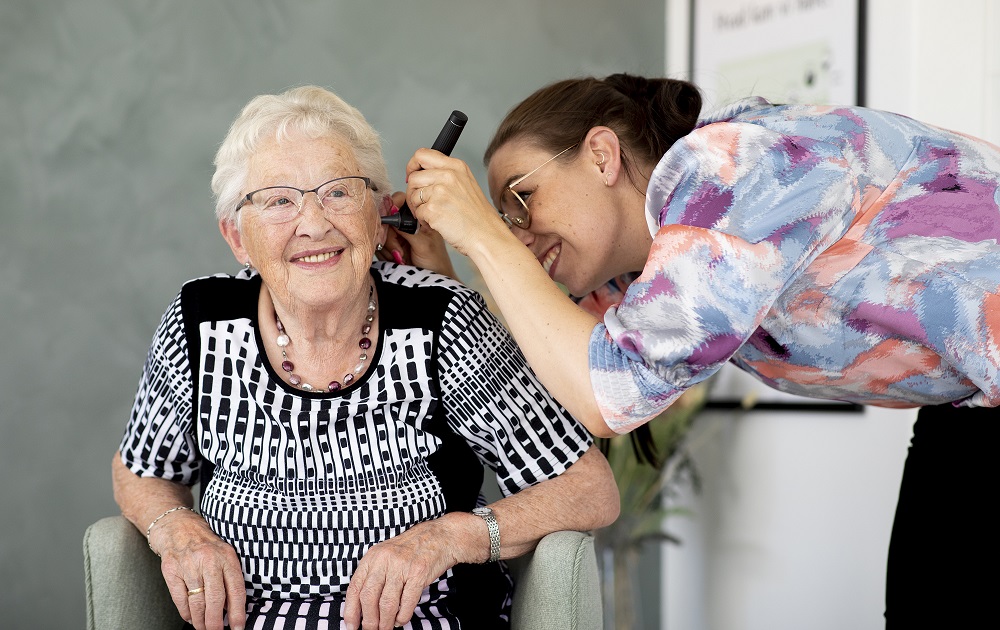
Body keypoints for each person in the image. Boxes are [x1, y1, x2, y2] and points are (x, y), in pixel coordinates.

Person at [394, 73, 1000, 627]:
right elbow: (549, 384)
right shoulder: (639, 275)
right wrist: (440, 265)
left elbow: (611, 394)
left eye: (522, 200)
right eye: (504, 218)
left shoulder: (731, 169)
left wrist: (481, 232)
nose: (519, 237)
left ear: (601, 156)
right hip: (973, 400)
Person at [112, 85, 620, 630]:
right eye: (280, 199)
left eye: (337, 193)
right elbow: (140, 469)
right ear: (238, 237)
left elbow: (587, 491)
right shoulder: (202, 319)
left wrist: (448, 536)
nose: (313, 224)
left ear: (379, 216)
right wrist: (174, 526)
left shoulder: (442, 320)